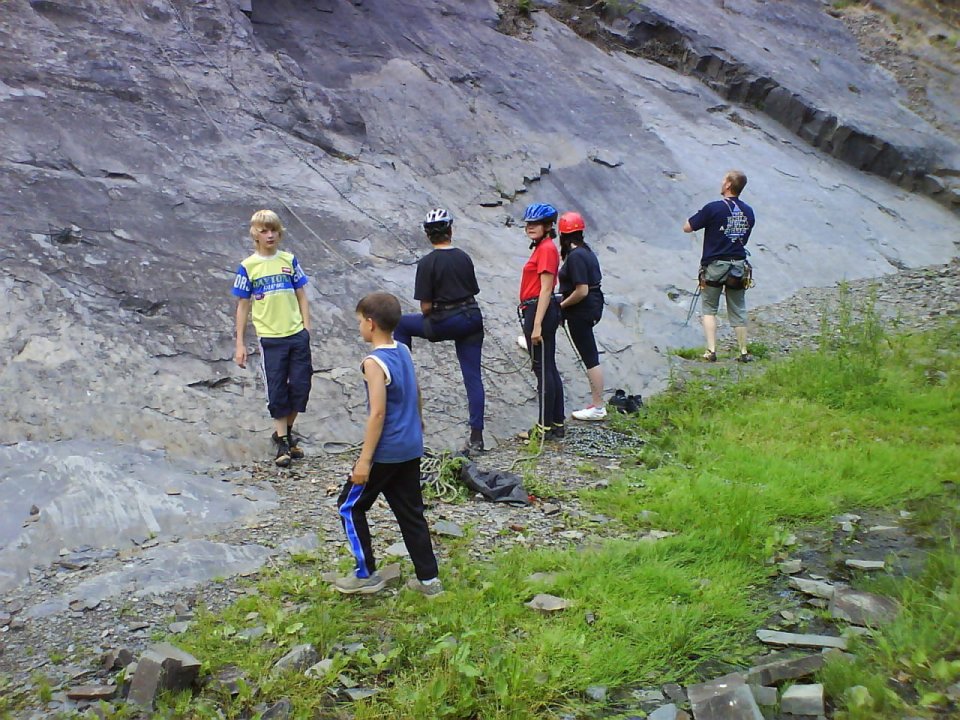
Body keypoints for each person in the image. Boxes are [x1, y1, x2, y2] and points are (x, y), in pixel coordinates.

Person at [335, 292, 443, 597]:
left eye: (360, 321)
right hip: (410, 446)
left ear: (370, 323)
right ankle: (429, 581)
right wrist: (418, 424)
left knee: (349, 506)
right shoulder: (403, 350)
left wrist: (364, 460)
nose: (360, 326)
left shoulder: (373, 362)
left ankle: (365, 573)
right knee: (411, 513)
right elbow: (416, 391)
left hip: (386, 452)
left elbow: (378, 413)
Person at [394, 209, 486, 453]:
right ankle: (477, 437)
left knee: (401, 324)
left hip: (445, 321)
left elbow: (425, 307)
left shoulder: (427, 263)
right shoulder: (464, 257)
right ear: (450, 231)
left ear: (428, 235)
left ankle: (402, 372)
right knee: (473, 377)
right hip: (472, 318)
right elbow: (471, 290)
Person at [232, 209, 312, 467]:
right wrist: (240, 343)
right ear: (255, 234)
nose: (269, 235)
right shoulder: (248, 266)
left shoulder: (289, 260)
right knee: (277, 390)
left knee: (301, 387)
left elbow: (301, 294)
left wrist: (306, 328)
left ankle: (285, 433)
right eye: (264, 230)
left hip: (296, 334)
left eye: (273, 230)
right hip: (270, 338)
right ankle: (283, 443)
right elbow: (243, 305)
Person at [683, 170, 756, 362]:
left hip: (715, 265)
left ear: (728, 184)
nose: (721, 182)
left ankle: (711, 351)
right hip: (738, 265)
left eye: (724, 179)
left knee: (709, 308)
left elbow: (687, 227)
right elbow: (744, 239)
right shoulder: (749, 212)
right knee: (738, 308)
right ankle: (743, 351)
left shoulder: (713, 208)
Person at [518, 203, 565, 439]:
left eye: (535, 224)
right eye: (528, 223)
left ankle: (543, 429)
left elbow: (546, 288)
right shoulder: (543, 247)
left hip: (539, 310)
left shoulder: (546, 249)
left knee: (542, 369)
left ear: (548, 226)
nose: (530, 227)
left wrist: (536, 325)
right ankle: (556, 423)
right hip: (540, 309)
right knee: (549, 367)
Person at [557, 212, 606, 421]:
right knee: (589, 354)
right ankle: (597, 404)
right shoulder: (586, 251)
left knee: (589, 356)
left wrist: (561, 306)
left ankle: (598, 406)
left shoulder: (576, 256)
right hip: (592, 305)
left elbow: (581, 290)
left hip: (582, 309)